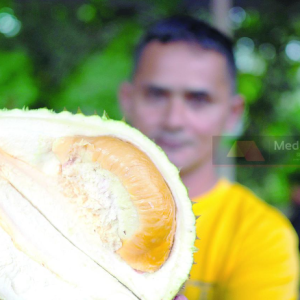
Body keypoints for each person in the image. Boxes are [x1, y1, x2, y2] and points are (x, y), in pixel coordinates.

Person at [118, 16, 299, 300]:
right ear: (127, 100)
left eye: (198, 99)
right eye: (156, 94)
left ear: (233, 113)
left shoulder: (262, 235)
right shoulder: (70, 204)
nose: (174, 119)